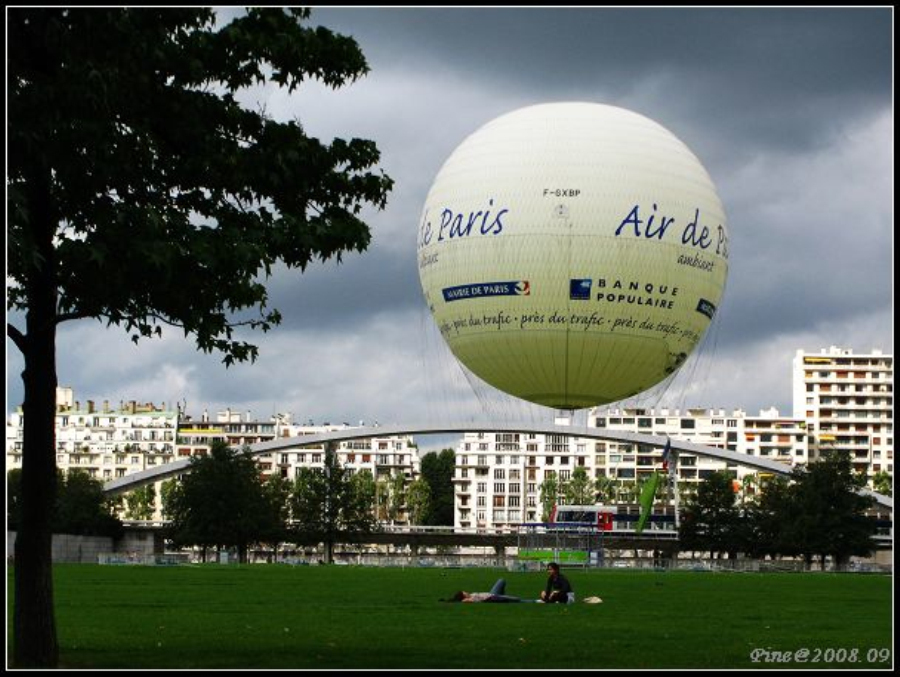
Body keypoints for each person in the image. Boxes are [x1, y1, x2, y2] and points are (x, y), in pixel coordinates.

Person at [441, 578, 537, 603]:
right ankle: (536, 601)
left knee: (501, 580)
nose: (466, 591)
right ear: (463, 596)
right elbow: (464, 601)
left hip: (491, 593)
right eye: (464, 592)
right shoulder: (468, 600)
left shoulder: (471, 596)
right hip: (492, 597)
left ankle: (503, 598)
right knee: (517, 600)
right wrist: (462, 600)